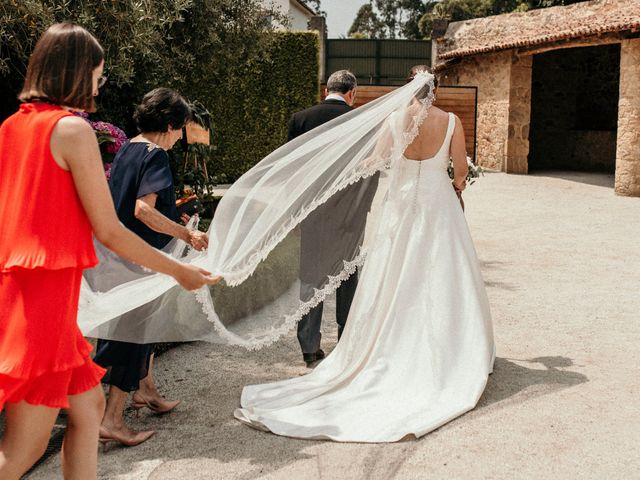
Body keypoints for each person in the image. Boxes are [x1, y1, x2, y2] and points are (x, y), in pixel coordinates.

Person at [0, 23, 219, 479]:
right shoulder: (71, 129)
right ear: (77, 71)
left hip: (31, 296)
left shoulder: (11, 127)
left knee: (90, 409)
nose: (101, 83)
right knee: (20, 451)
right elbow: (111, 229)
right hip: (43, 310)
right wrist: (179, 271)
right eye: (98, 73)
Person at [233, 65, 495, 442]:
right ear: (434, 91)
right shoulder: (452, 121)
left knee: (392, 276)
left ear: (409, 91)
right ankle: (448, 351)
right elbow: (459, 174)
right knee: (441, 274)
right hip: (439, 208)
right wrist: (454, 184)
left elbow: (373, 163)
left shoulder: (391, 121)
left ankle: (376, 346)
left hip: (401, 207)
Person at [93, 88, 209, 448]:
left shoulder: (128, 148)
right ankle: (112, 421)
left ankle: (148, 392)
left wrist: (174, 213)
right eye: (181, 130)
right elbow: (144, 211)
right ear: (170, 125)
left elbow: (132, 204)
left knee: (138, 328)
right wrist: (186, 233)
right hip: (138, 260)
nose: (180, 138)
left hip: (114, 257)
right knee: (132, 334)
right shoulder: (156, 154)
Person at [288, 70, 361, 367]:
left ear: (325, 90)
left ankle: (309, 346)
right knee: (347, 277)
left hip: (312, 210)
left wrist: (294, 214)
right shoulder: (360, 119)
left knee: (311, 276)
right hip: (349, 211)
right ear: (352, 93)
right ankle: (346, 341)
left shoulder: (300, 120)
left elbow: (291, 171)